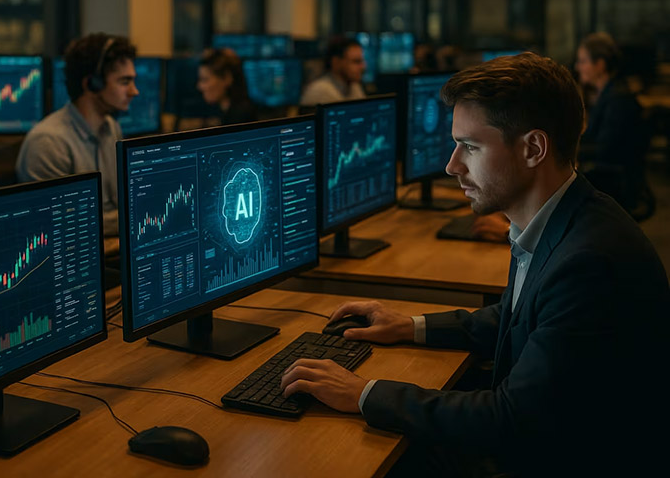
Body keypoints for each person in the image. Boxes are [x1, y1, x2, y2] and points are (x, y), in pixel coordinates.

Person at [280, 53, 669, 476]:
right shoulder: (567, 217)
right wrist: (410, 326)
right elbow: (518, 317)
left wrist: (363, 393)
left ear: (533, 148)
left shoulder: (588, 264)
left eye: (470, 146)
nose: (452, 165)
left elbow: (509, 419)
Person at [15, 33, 138, 236]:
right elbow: (65, 225)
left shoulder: (111, 127)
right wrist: (134, 216)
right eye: (125, 82)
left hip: (112, 244)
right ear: (92, 84)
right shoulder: (49, 142)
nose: (134, 91)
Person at [575, 32, 650, 215]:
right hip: (609, 177)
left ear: (600, 65)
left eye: (583, 61)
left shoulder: (618, 99)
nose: (578, 67)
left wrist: (565, 150)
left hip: (616, 184)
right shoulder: (608, 93)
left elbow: (605, 149)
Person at [299, 35, 366, 107]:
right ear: (336, 62)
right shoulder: (320, 91)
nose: (363, 67)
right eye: (356, 61)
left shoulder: (353, 86)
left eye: (362, 61)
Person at [197, 48, 256, 125]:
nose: (199, 86)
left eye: (205, 80)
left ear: (226, 78)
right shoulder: (221, 111)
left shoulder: (241, 116)